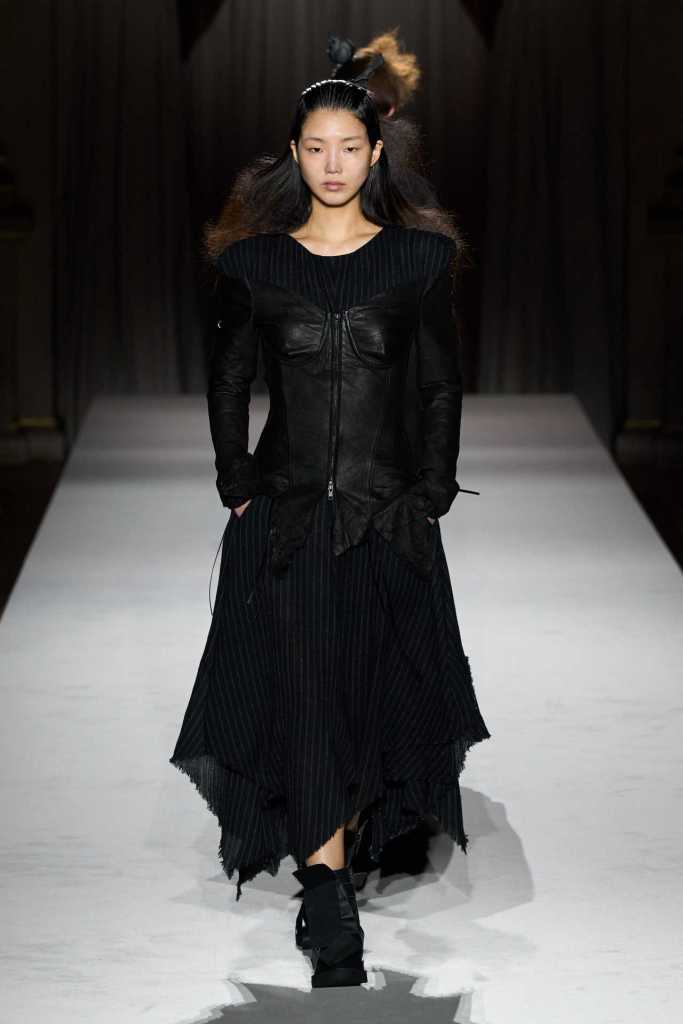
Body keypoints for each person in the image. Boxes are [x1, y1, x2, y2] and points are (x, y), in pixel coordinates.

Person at [169, 48, 491, 990]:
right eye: (316, 148)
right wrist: (235, 476)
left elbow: (439, 383)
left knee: (370, 693)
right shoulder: (254, 263)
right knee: (305, 694)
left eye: (350, 147)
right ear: (294, 155)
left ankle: (343, 847)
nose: (333, 164)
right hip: (289, 519)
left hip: (388, 516)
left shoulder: (418, 260)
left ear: (376, 151)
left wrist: (434, 487)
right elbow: (229, 377)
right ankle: (326, 891)